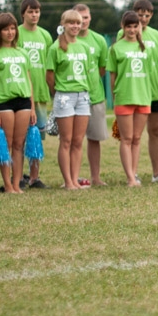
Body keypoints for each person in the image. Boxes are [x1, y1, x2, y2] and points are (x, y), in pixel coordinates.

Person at [0, 13, 35, 193]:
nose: (10, 32)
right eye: (6, 29)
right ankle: (7, 184)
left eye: (13, 28)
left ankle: (16, 183)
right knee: (7, 144)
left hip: (23, 102)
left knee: (19, 145)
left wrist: (32, 107)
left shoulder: (22, 52)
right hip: (4, 102)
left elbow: (29, 81)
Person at [125, 0, 158, 183]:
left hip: (154, 91)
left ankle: (157, 173)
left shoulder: (156, 35)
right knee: (132, 136)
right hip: (136, 91)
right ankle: (132, 173)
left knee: (155, 131)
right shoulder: (126, 33)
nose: (143, 18)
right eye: (140, 14)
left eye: (147, 15)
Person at [47, 10, 91, 190]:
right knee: (66, 140)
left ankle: (75, 179)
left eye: (78, 23)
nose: (75, 26)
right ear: (63, 24)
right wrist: (58, 92)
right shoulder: (55, 47)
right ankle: (67, 181)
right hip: (64, 96)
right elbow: (50, 76)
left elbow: (87, 71)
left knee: (78, 141)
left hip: (83, 95)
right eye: (71, 23)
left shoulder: (84, 47)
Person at [107, 12, 153, 186]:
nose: (132, 30)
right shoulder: (116, 48)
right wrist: (114, 98)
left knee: (137, 138)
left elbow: (149, 74)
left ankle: (134, 173)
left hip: (143, 97)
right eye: (129, 26)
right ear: (123, 27)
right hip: (124, 97)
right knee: (126, 139)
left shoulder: (145, 48)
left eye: (135, 26)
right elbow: (112, 77)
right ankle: (130, 177)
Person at [16, 0, 52, 189]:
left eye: (37, 11)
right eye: (30, 11)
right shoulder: (17, 34)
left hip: (40, 93)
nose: (34, 15)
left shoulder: (45, 35)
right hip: (21, 93)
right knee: (20, 138)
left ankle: (34, 177)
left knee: (37, 137)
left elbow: (49, 65)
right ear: (23, 14)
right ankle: (19, 176)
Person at [73, 4, 109, 186]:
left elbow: (102, 69)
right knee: (73, 139)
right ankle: (72, 178)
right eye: (79, 19)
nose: (83, 22)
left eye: (85, 18)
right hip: (73, 96)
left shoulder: (99, 40)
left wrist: (91, 82)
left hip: (94, 96)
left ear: (90, 18)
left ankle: (95, 177)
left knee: (95, 139)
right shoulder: (66, 41)